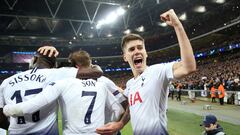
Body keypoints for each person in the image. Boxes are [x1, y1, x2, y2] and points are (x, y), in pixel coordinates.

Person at [96, 9, 196, 135]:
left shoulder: (157, 71)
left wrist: (177, 25)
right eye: (132, 49)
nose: (137, 51)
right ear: (125, 57)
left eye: (140, 48)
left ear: (145, 53)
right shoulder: (130, 84)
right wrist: (120, 124)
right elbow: (131, 107)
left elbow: (189, 67)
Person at [3, 52, 124, 135]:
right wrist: (109, 126)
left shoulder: (62, 83)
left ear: (75, 67)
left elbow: (33, 105)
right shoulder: (102, 83)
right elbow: (119, 110)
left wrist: (8, 109)